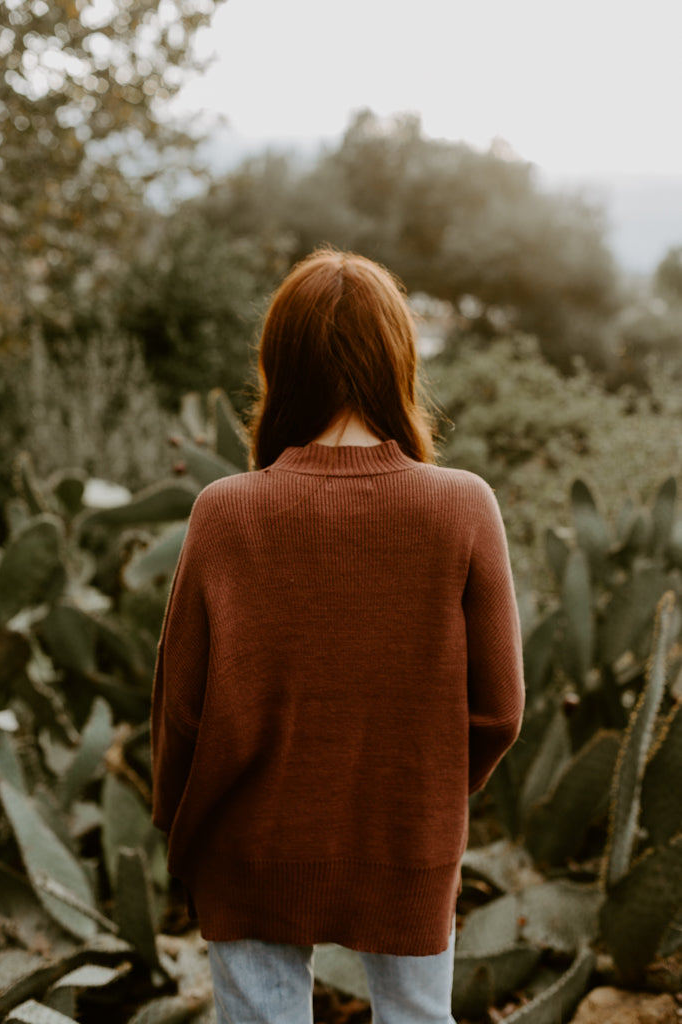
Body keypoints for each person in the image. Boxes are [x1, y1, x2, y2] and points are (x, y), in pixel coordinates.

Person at [151, 248, 525, 1024]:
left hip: (247, 843)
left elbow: (180, 712)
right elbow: (499, 712)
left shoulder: (224, 512)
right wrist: (423, 796)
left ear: (278, 365)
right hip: (406, 834)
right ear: (398, 361)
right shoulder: (462, 506)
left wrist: (177, 831)